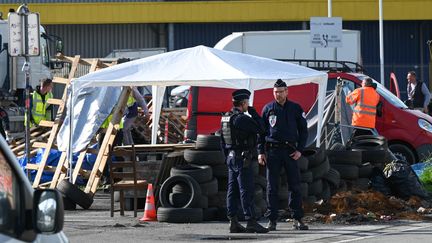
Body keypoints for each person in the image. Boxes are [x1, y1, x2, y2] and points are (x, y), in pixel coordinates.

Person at [258, 79, 309, 231]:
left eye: (280, 92)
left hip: (290, 152)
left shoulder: (295, 108)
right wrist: (261, 152)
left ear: (287, 92)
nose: (278, 95)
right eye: (275, 92)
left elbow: (303, 131)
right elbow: (261, 133)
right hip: (273, 152)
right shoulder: (268, 109)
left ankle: (297, 218)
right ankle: (272, 220)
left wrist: (300, 149)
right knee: (272, 187)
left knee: (294, 185)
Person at [220, 89, 268, 234]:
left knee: (232, 191)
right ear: (244, 103)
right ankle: (251, 221)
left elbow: (222, 140)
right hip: (242, 159)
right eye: (247, 103)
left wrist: (227, 157)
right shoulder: (241, 118)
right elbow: (262, 128)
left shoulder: (226, 118)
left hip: (231, 158)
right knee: (246, 190)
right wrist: (253, 112)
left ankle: (233, 222)